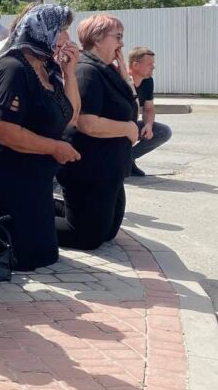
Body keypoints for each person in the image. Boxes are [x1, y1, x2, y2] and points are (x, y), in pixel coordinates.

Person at [0, 5, 81, 271]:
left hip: (37, 179)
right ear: (41, 31)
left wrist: (70, 74)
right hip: (11, 178)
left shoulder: (47, 67)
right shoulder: (13, 68)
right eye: (62, 31)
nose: (67, 39)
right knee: (23, 259)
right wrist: (55, 147)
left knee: (44, 255)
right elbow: (5, 130)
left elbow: (70, 115)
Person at [56, 15, 139, 252]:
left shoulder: (108, 70)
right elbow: (85, 122)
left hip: (109, 167)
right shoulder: (87, 71)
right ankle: (18, 219)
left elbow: (131, 106)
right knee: (86, 238)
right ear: (97, 39)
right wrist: (128, 129)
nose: (122, 44)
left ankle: (46, 207)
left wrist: (124, 76)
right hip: (89, 167)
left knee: (108, 232)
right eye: (118, 37)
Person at [128, 46, 173, 176]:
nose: (153, 67)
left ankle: (127, 160)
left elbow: (148, 108)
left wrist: (148, 125)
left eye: (153, 64)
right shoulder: (120, 80)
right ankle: (115, 163)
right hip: (114, 128)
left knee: (162, 132)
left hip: (131, 125)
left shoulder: (147, 81)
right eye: (149, 64)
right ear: (135, 65)